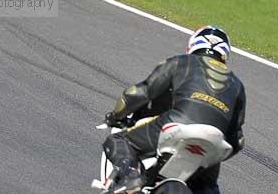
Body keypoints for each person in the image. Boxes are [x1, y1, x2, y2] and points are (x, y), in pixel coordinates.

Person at [102, 26, 246, 194]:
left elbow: (137, 93)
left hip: (177, 125)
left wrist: (114, 116)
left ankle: (131, 177)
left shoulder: (181, 62)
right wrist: (215, 156)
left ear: (192, 45)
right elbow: (238, 140)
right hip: (213, 141)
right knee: (207, 184)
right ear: (225, 52)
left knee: (119, 140)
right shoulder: (237, 84)